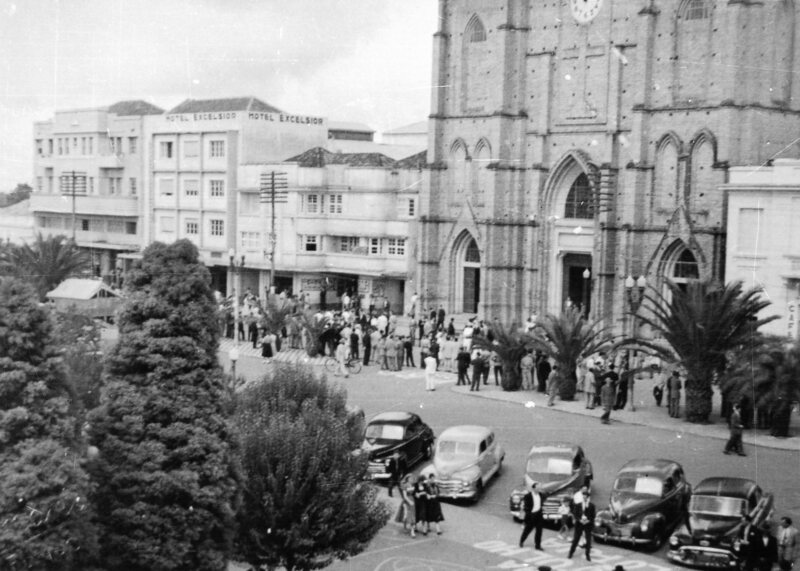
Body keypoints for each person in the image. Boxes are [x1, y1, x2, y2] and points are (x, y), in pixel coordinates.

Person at [567, 486, 596, 562]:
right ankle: (571, 552)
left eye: (586, 497)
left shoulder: (592, 506)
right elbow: (575, 514)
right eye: (583, 497)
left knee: (588, 540)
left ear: (588, 498)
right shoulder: (578, 505)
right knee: (576, 539)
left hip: (588, 525)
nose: (584, 498)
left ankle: (587, 554)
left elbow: (593, 516)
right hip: (579, 524)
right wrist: (579, 520)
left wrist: (588, 521)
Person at [519, 482, 547, 549]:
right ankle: (521, 541)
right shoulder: (528, 496)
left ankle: (538, 545)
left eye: (540, 488)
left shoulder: (541, 495)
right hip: (531, 515)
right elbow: (526, 507)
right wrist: (529, 514)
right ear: (533, 488)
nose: (539, 489)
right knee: (527, 530)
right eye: (538, 488)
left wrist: (541, 508)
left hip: (539, 515)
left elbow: (544, 499)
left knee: (539, 531)